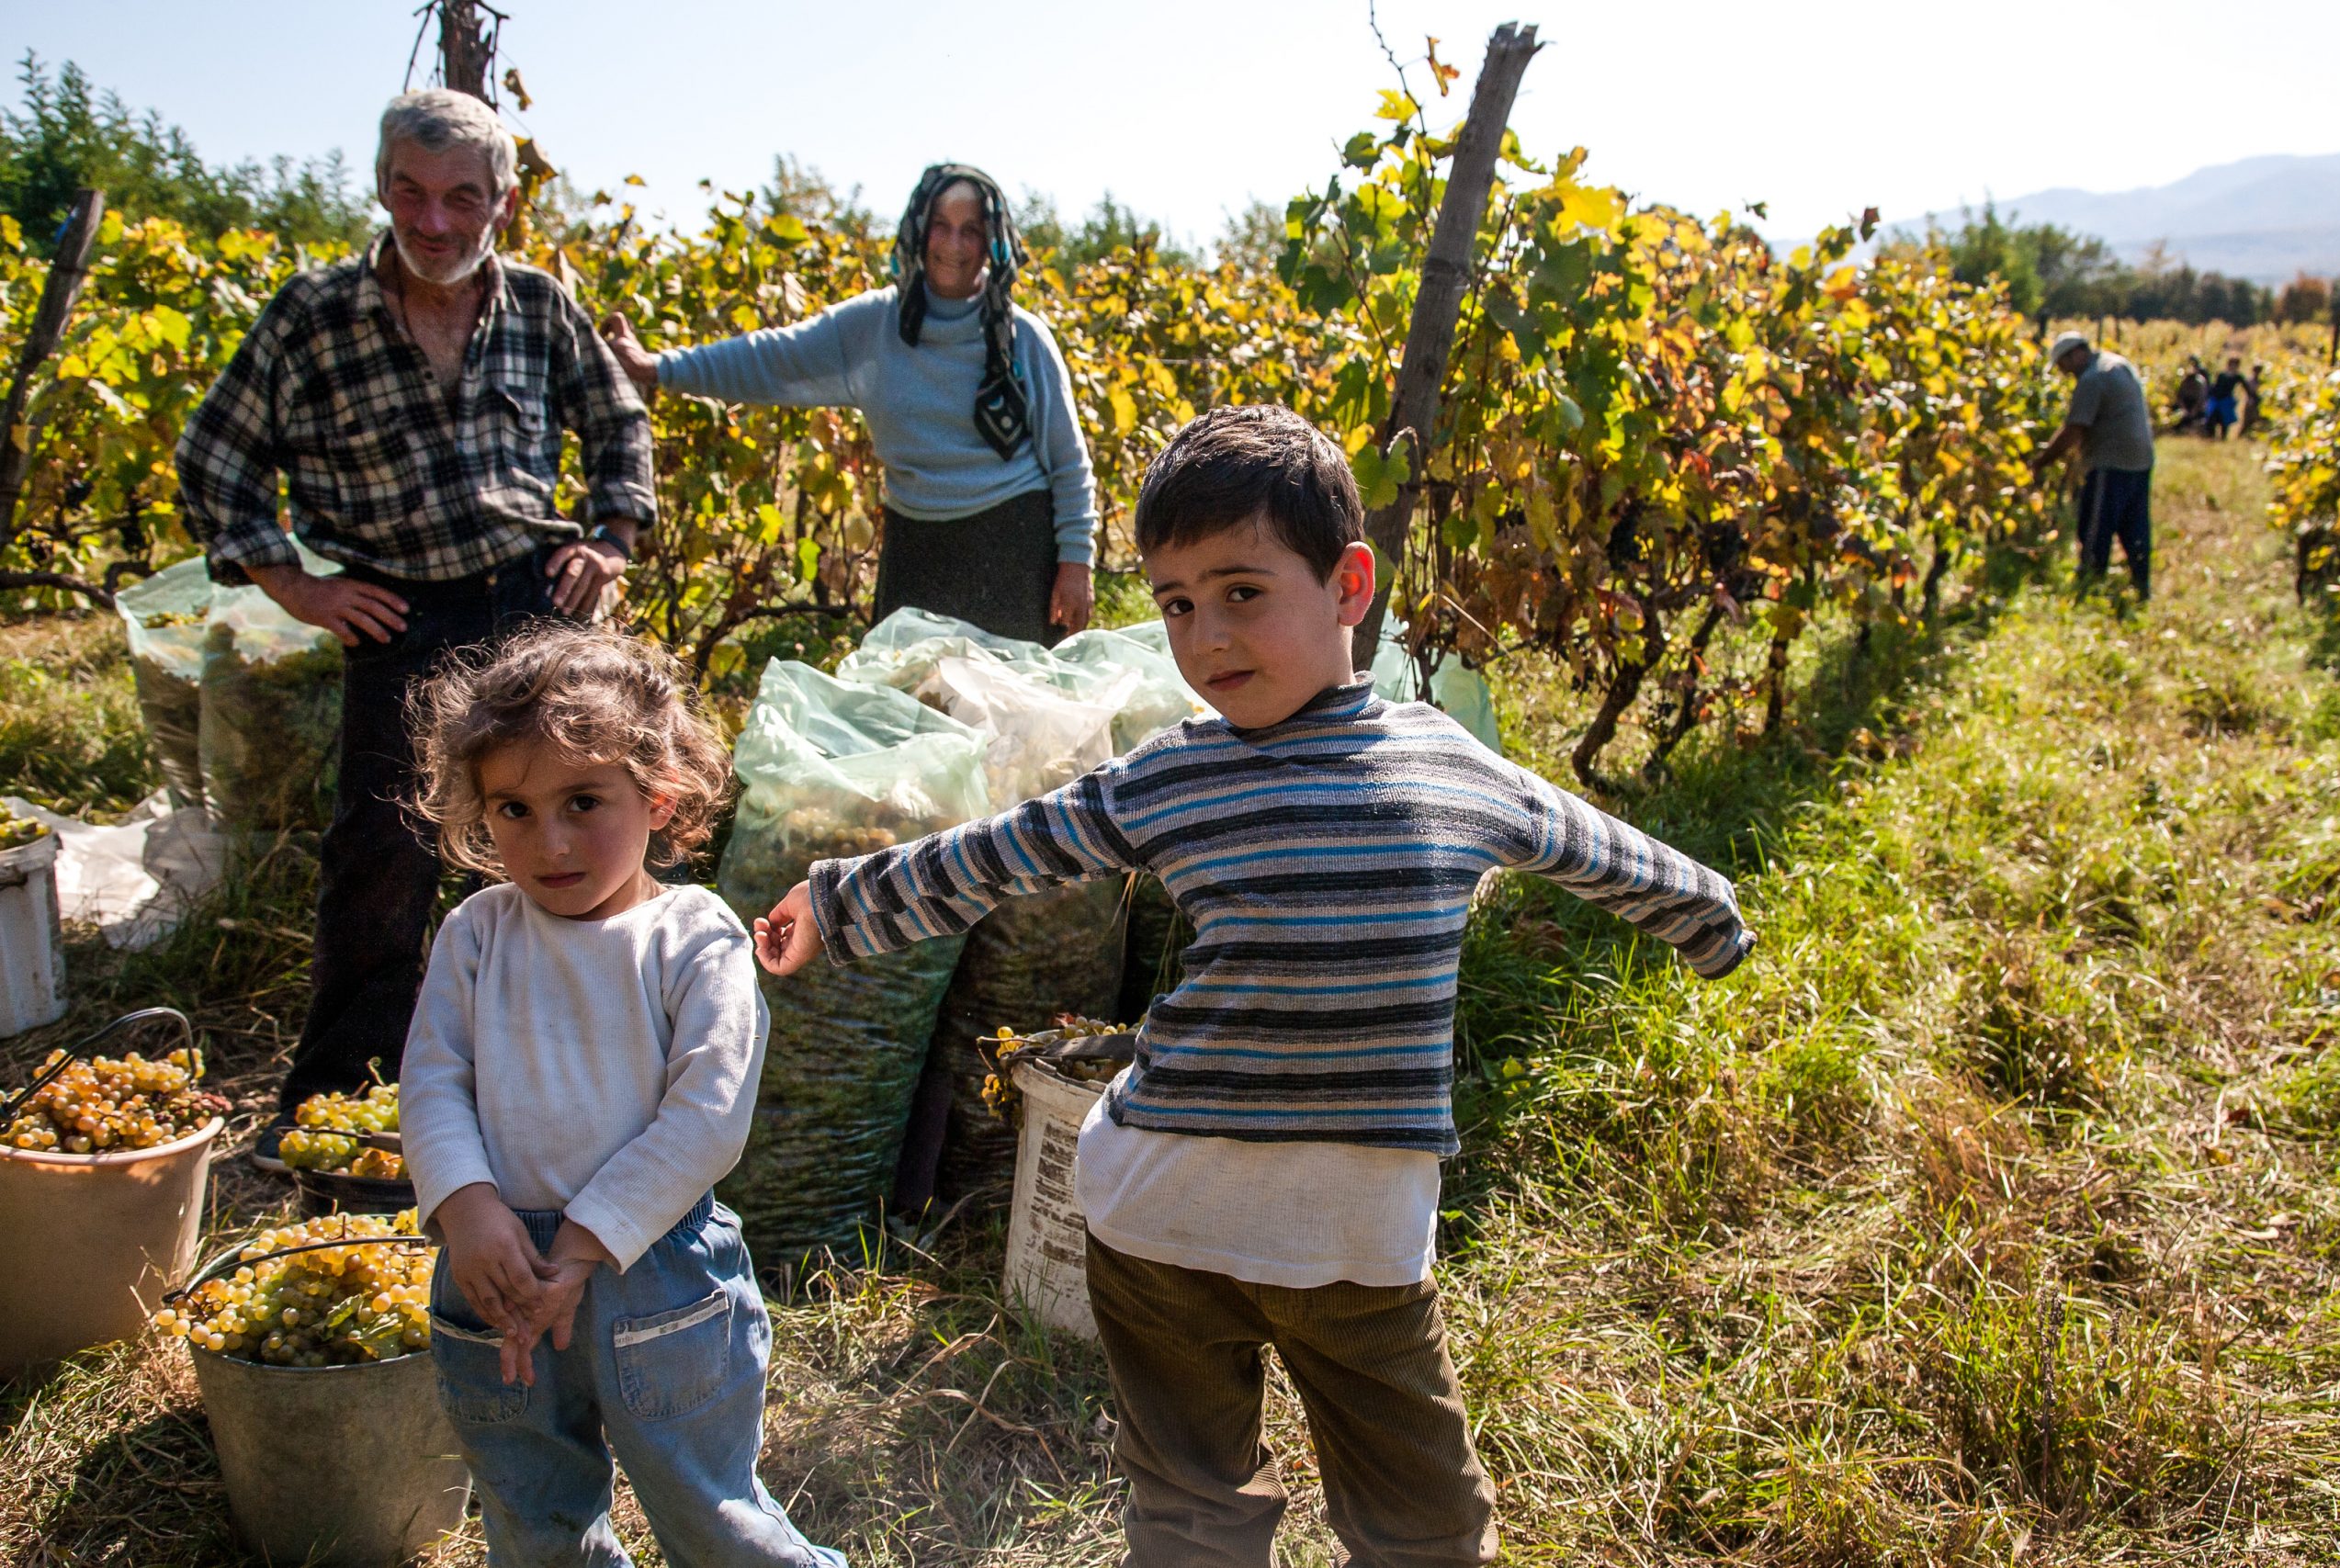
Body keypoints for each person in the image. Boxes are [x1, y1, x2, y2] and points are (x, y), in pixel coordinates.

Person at [752, 405, 1756, 1565]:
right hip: (1161, 1223)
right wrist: (838, 902)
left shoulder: (1448, 763)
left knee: (1421, 1526)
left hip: (1352, 1250)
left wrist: (1707, 916)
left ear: (1348, 586)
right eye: (1176, 604)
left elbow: (1594, 844)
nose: (1206, 637)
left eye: (1240, 591)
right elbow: (1005, 849)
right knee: (1208, 1510)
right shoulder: (1168, 773)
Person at [175, 89, 657, 1168]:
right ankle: (339, 1116)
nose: (433, 223)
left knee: (554, 849)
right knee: (384, 862)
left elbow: (618, 421)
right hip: (394, 610)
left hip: (531, 603)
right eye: (410, 193)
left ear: (504, 202)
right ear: (381, 185)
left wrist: (611, 538)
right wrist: (296, 585)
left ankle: (545, 1104)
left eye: (461, 200)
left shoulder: (538, 306)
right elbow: (213, 456)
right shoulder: (312, 314)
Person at [399, 623, 842, 1568]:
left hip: (654, 1278)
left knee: (709, 1514)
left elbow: (707, 1118)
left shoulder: (694, 937)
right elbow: (435, 1082)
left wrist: (588, 1242)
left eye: (583, 801)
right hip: (498, 1272)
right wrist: (468, 1211)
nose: (549, 840)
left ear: (657, 795)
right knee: (531, 1511)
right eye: (512, 810)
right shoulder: (477, 934)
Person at [601, 164, 1097, 647]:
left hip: (1014, 547)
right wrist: (659, 368)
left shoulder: (1023, 338)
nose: (953, 245)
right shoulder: (872, 327)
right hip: (918, 546)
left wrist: (1076, 563)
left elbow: (1069, 463)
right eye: (941, 226)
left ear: (993, 241)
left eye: (971, 230)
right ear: (918, 231)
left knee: (1017, 717)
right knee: (914, 713)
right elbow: (769, 360)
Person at [2030, 331, 2155, 601]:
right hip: (2141, 457)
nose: (2065, 374)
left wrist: (2040, 462)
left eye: (2064, 366)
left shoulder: (2092, 378)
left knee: (2096, 524)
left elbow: (2074, 429)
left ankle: (2089, 583)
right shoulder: (2118, 363)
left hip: (2111, 460)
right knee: (2135, 523)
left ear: (2076, 354)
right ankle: (2141, 584)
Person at [2206, 355, 2248, 438]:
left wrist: (2251, 396)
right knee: (2211, 418)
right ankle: (2211, 437)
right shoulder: (2222, 375)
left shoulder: (2238, 376)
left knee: (2224, 420)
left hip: (2226, 400)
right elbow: (2215, 386)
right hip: (2216, 399)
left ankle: (2223, 437)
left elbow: (2246, 387)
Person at [2173, 355, 2209, 434]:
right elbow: (2180, 397)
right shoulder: (2184, 381)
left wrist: (2194, 411)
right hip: (2186, 405)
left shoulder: (2200, 382)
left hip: (2197, 407)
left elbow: (2201, 399)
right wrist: (2184, 409)